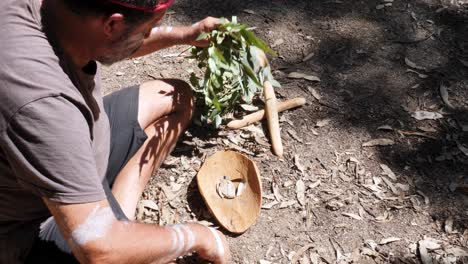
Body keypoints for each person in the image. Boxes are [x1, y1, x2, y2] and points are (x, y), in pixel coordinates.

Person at [0, 0, 231, 263]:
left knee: (177, 99)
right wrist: (197, 236)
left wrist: (187, 34)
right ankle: (115, 231)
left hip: (76, 144)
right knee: (108, 252)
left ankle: (120, 216)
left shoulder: (60, 14)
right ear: (112, 23)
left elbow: (112, 42)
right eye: (149, 28)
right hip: (33, 223)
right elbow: (97, 252)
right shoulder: (44, 106)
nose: (147, 35)